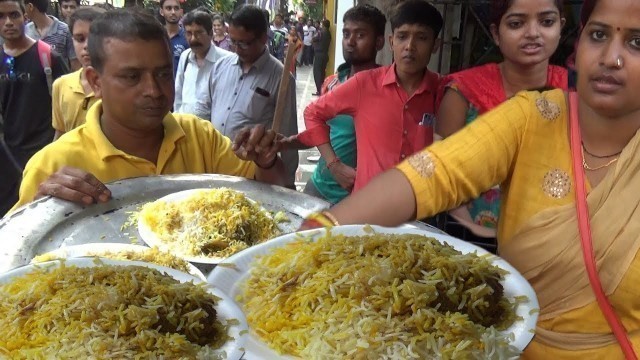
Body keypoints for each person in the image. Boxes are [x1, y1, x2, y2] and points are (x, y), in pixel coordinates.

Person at [305, 0, 640, 358]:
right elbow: (438, 172)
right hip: (511, 348)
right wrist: (321, 229)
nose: (611, 58)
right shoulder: (534, 115)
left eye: (637, 42)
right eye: (599, 34)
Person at [11, 9, 288, 212]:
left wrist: (266, 161)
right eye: (132, 77)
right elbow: (16, 258)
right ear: (96, 81)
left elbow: (275, 201)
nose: (154, 91)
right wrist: (40, 210)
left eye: (164, 74)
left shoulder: (201, 138)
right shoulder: (53, 165)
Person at [435, 0, 568, 246]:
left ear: (560, 27)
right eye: (517, 23)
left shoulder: (574, 93)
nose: (533, 33)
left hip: (556, 245)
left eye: (546, 22)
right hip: (473, 243)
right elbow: (441, 172)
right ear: (496, 33)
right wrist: (477, 233)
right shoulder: (463, 92)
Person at [301, 0, 442, 195]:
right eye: (402, 37)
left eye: (422, 38)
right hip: (364, 206)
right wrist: (334, 165)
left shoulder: (444, 91)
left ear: (435, 45)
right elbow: (312, 113)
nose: (410, 46)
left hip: (419, 209)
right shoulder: (362, 84)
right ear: (392, 42)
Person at [281, 4, 386, 205]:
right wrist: (286, 143)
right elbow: (322, 134)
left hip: (354, 199)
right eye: (346, 34)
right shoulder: (332, 83)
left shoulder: (386, 89)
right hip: (318, 186)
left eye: (360, 35)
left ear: (379, 42)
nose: (350, 42)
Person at [209, 5, 298, 188]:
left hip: (252, 174)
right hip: (215, 168)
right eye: (233, 41)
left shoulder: (281, 78)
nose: (237, 49)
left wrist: (286, 185)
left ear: (263, 38)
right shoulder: (220, 67)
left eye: (244, 43)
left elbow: (288, 134)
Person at [0, 0, 69, 217]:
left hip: (46, 154)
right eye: (1, 17)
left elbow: (67, 102)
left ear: (25, 16)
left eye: (14, 15)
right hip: (9, 159)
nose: (8, 22)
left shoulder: (48, 56)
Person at [51, 6, 106, 140]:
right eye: (80, 39)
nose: (86, 45)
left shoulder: (118, 85)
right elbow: (60, 132)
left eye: (94, 38)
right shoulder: (61, 85)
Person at [174, 10, 232, 119]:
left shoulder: (226, 60)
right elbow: (178, 94)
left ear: (210, 34)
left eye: (199, 33)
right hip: (185, 128)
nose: (193, 39)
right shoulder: (185, 57)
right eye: (189, 33)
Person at [24, 0, 79, 70]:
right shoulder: (26, 30)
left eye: (23, 6)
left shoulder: (64, 29)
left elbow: (74, 62)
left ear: (30, 7)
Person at [159, 0, 188, 76]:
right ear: (162, 12)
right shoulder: (157, 36)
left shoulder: (188, 37)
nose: (173, 12)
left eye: (176, 8)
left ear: (181, 12)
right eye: (169, 8)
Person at [312, 19, 331, 96]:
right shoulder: (329, 33)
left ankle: (319, 91)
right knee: (322, 72)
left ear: (322, 25)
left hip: (319, 54)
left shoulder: (320, 32)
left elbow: (313, 39)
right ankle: (322, 90)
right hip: (325, 54)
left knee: (317, 73)